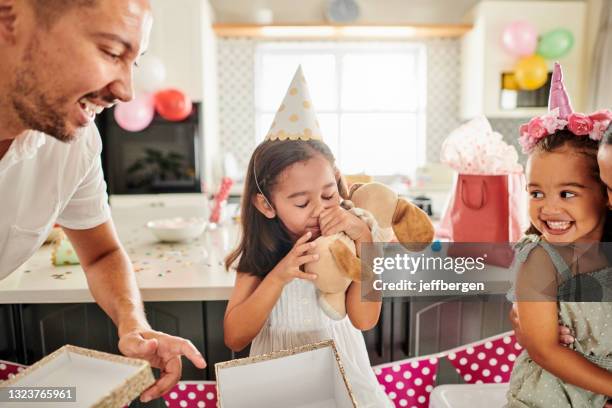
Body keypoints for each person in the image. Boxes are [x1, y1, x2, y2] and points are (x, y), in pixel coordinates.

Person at [0, 0, 205, 402]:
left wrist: (133, 325)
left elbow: (102, 254)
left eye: (135, 63)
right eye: (111, 52)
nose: (126, 92)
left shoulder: (74, 146)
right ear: (10, 16)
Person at [223, 67, 393, 407]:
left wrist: (364, 242)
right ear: (266, 205)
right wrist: (281, 275)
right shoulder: (263, 253)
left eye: (329, 195)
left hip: (341, 374)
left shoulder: (350, 239)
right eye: (302, 202)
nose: (319, 210)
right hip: (276, 384)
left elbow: (364, 319)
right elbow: (235, 336)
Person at [505, 63, 612, 407]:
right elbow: (545, 349)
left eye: (567, 193)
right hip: (554, 398)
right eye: (536, 193)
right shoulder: (540, 260)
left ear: (603, 194)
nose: (548, 208)